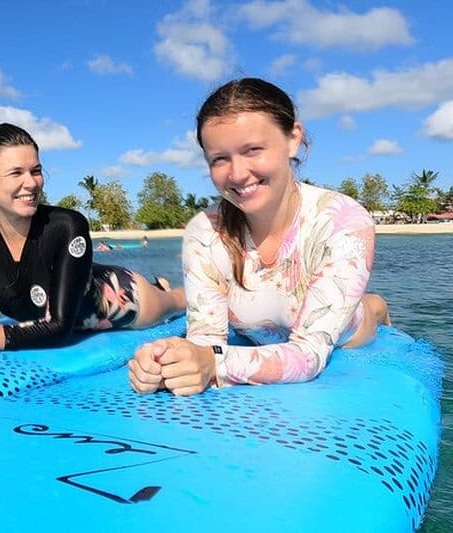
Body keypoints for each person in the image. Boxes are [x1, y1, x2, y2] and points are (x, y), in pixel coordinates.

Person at [129, 77, 390, 396]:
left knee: (363, 316)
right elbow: (205, 341)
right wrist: (167, 363)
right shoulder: (205, 231)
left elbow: (308, 356)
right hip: (262, 335)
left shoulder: (344, 221)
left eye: (253, 150)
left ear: (293, 139)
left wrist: (213, 364)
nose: (237, 174)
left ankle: (375, 306)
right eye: (219, 159)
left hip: (348, 332)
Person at [0, 122, 185, 359]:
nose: (31, 183)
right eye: (16, 173)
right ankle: (160, 283)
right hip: (76, 285)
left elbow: (60, 327)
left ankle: (166, 289)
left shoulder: (67, 226)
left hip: (126, 299)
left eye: (36, 170)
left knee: (179, 302)